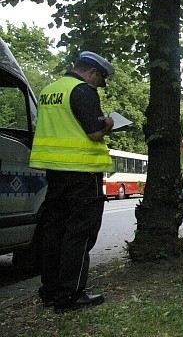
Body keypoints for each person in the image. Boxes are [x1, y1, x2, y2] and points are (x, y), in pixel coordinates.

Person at [29, 51, 116, 312]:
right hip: (82, 172)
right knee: (79, 233)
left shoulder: (49, 90)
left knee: (54, 231)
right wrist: (109, 123)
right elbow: (95, 131)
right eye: (100, 80)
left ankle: (51, 290)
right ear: (93, 72)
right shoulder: (82, 91)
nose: (98, 85)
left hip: (55, 172)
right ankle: (71, 295)